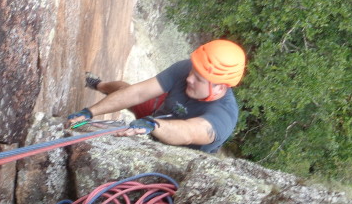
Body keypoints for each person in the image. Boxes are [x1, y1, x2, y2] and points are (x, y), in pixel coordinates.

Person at [68, 40, 246, 154]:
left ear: (219, 88)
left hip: (173, 150)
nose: (189, 78)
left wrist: (153, 125)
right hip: (156, 117)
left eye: (198, 79)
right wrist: (89, 112)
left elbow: (188, 133)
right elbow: (139, 93)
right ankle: (98, 84)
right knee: (124, 89)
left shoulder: (223, 116)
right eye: (193, 70)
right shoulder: (187, 69)